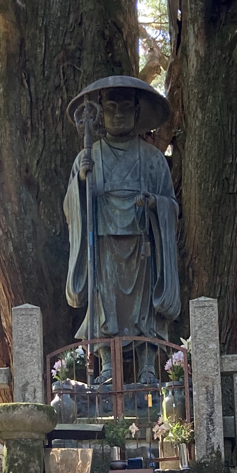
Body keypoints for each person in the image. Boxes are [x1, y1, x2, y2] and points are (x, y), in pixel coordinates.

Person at [64, 76, 180, 384]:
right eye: (111, 108)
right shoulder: (88, 157)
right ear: (100, 113)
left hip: (143, 243)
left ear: (137, 112)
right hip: (103, 243)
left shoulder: (153, 158)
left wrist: (155, 204)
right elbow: (71, 207)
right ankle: (107, 369)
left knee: (144, 311)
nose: (118, 115)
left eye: (126, 108)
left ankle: (147, 369)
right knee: (105, 305)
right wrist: (81, 182)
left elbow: (171, 205)